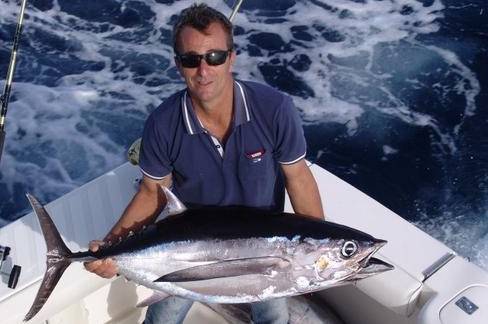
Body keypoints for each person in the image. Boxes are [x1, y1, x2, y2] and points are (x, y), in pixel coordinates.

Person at [85, 3, 324, 324]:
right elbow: (152, 191)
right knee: (162, 319)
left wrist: (319, 252)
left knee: (272, 315)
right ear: (178, 65)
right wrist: (110, 249)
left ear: (231, 58)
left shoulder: (275, 109)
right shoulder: (162, 124)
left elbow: (298, 178)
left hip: (264, 246)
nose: (204, 69)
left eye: (215, 56)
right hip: (188, 245)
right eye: (191, 59)